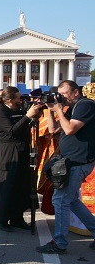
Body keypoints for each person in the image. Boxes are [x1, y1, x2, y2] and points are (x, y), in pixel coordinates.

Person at [37, 80, 95, 254]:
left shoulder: (85, 105)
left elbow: (69, 130)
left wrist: (59, 110)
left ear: (76, 92)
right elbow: (54, 129)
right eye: (59, 94)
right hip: (70, 161)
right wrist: (51, 110)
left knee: (60, 201)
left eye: (64, 94)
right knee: (72, 201)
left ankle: (59, 242)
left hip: (78, 162)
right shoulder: (71, 107)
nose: (61, 97)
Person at [0, 86, 43, 232]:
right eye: (19, 98)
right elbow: (12, 131)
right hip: (8, 151)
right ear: (9, 100)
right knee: (7, 185)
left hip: (22, 150)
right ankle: (1, 219)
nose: (21, 101)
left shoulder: (15, 109)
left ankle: (17, 218)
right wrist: (27, 116)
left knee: (21, 184)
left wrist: (34, 114)